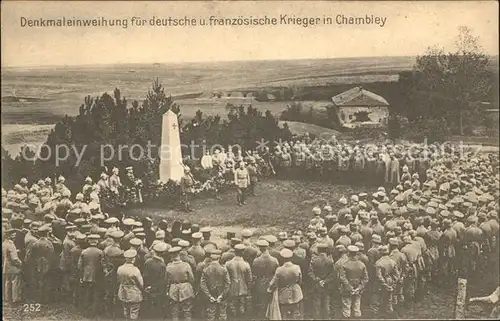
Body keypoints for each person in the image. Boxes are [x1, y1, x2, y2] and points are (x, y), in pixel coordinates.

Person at [268, 248, 304, 320]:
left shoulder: (279, 269)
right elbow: (300, 281)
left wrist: (269, 289)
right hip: (296, 293)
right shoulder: (297, 267)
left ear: (282, 258)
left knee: (284, 314)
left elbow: (274, 283)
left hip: (283, 294)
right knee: (296, 313)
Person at [165, 246, 195, 321]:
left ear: (171, 256)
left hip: (173, 290)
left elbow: (166, 280)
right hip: (186, 290)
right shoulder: (186, 265)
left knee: (174, 312)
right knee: (187, 311)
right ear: (179, 255)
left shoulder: (168, 267)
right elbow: (192, 279)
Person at [200, 249, 231, 321]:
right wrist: (222, 295)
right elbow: (228, 283)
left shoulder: (206, 269)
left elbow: (202, 284)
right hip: (222, 293)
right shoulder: (223, 269)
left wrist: (209, 296)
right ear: (219, 258)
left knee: (211, 314)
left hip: (211, 293)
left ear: (211, 259)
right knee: (222, 314)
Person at [251, 239, 279, 319]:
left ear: (259, 248)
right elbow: (277, 273)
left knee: (261, 301)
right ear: (267, 247)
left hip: (260, 282)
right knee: (270, 301)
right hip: (271, 282)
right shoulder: (274, 260)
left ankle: (262, 317)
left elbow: (254, 273)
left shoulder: (256, 260)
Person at [339, 245, 369, 318]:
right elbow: (366, 278)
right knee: (357, 306)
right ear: (357, 253)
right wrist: (359, 287)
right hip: (358, 287)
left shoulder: (345, 265)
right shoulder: (362, 264)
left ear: (348, 253)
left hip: (347, 289)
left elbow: (342, 278)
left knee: (346, 307)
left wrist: (350, 288)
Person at [78, 234, 104, 317]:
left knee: (87, 294)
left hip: (86, 276)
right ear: (97, 242)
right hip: (97, 276)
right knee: (96, 294)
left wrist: (81, 275)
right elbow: (103, 265)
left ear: (89, 242)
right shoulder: (100, 252)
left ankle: (86, 312)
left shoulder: (84, 252)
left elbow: (79, 265)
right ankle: (94, 312)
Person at [225, 243, 253, 318]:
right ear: (243, 252)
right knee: (241, 307)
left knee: (232, 307)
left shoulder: (228, 263)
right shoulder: (246, 264)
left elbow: (226, 278)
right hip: (243, 289)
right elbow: (249, 279)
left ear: (235, 252)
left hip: (231, 288)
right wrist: (248, 289)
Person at [308, 243, 334, 319]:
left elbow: (310, 273)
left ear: (318, 250)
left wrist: (318, 280)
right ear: (326, 250)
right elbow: (332, 274)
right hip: (327, 285)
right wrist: (325, 281)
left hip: (317, 285)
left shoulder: (314, 260)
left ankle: (317, 318)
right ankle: (326, 318)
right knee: (326, 302)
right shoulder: (330, 261)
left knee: (316, 302)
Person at [117, 249, 144, 320]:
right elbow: (141, 284)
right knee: (134, 311)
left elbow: (118, 280)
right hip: (133, 293)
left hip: (123, 292)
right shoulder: (135, 270)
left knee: (125, 309)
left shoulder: (120, 268)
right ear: (133, 259)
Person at [2, 229, 23, 304]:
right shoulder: (11, 245)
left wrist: (15, 251)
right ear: (9, 236)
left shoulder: (4, 243)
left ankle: (7, 298)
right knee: (15, 282)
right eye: (13, 235)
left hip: (6, 266)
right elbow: (14, 259)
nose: (14, 237)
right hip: (13, 267)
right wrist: (20, 263)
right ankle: (15, 299)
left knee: (7, 282)